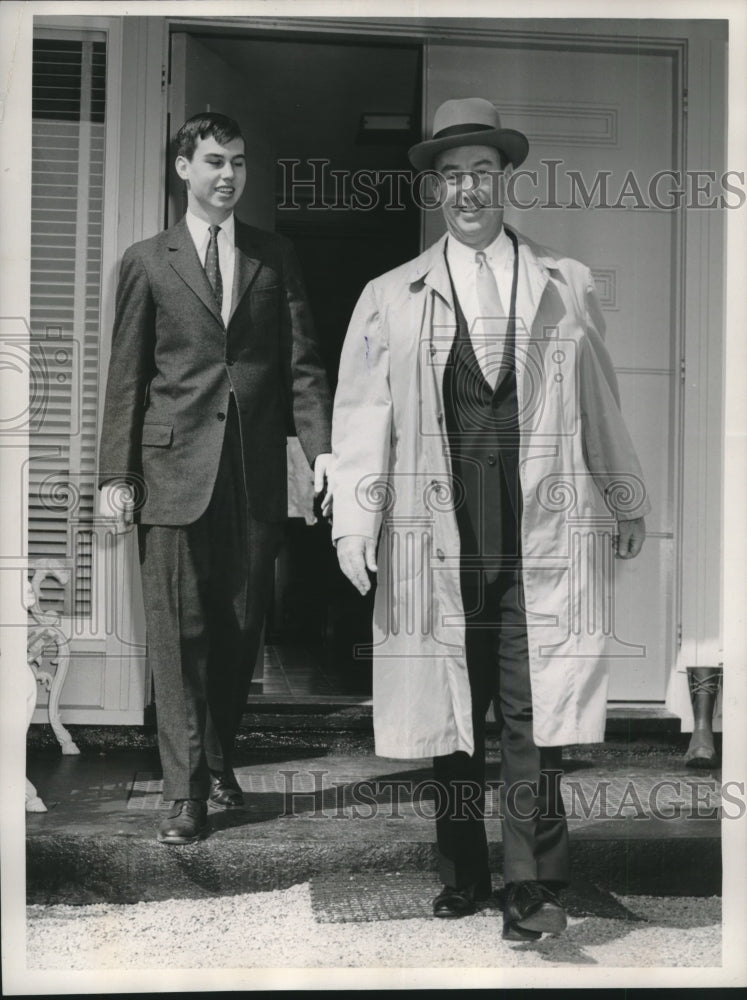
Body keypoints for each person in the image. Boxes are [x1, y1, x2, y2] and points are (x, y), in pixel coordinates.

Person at [330, 98, 649, 940]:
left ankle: (530, 890)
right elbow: (364, 418)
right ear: (435, 189)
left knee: (529, 710)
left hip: (535, 528)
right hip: (436, 531)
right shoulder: (390, 296)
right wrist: (354, 526)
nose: (466, 189)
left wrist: (621, 497)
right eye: (450, 175)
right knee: (449, 707)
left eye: (481, 172)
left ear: (506, 180)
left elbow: (600, 405)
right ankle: (461, 870)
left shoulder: (563, 282)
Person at [98, 112, 332, 845]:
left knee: (237, 628)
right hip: (170, 471)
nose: (226, 174)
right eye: (211, 161)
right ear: (182, 169)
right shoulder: (146, 260)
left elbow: (301, 367)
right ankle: (184, 790)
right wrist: (115, 475)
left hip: (253, 473)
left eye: (236, 162)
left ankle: (217, 756)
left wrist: (321, 450)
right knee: (177, 633)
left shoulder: (274, 255)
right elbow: (126, 377)